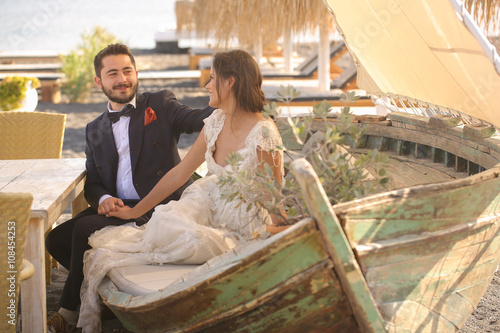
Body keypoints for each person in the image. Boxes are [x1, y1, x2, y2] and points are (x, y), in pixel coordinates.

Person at [76, 49, 284, 332]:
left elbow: (273, 197)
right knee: (164, 221)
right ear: (99, 81)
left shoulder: (264, 133)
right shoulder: (216, 122)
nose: (206, 86)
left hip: (238, 220)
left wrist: (281, 237)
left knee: (189, 239)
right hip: (206, 203)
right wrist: (134, 211)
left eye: (212, 79)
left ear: (231, 82)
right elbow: (180, 173)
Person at [45, 43, 214, 333]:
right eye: (113, 73)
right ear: (99, 81)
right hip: (120, 205)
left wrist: (225, 94)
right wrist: (106, 198)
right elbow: (94, 183)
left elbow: (198, 118)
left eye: (127, 71)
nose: (122, 78)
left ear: (136, 73)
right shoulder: (93, 128)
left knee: (83, 231)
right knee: (56, 239)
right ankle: (104, 293)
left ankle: (68, 312)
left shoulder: (159, 104)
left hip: (160, 203)